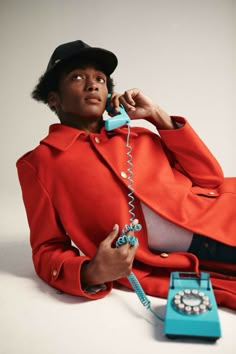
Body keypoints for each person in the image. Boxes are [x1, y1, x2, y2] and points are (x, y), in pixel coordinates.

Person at [16, 40, 236, 310]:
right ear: (54, 98)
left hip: (224, 215)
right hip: (193, 258)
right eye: (77, 77)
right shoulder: (40, 163)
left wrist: (156, 115)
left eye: (100, 78)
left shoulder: (140, 136)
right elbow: (47, 248)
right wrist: (90, 272)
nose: (93, 84)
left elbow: (210, 178)